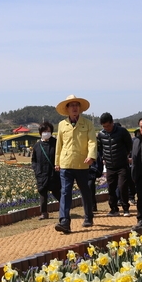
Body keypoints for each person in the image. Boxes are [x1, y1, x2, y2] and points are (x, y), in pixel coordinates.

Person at [54, 95, 97, 234]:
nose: (74, 108)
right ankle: (64, 221)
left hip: (82, 164)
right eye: (71, 105)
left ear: (80, 108)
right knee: (65, 192)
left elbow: (92, 142)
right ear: (67, 109)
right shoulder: (62, 125)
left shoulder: (88, 123)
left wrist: (91, 156)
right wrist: (57, 162)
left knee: (85, 191)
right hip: (66, 163)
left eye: (76, 105)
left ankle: (88, 216)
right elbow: (59, 144)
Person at [97, 113, 133, 217]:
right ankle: (114, 209)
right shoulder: (101, 134)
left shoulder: (122, 132)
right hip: (110, 166)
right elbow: (100, 149)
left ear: (112, 122)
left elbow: (129, 145)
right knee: (111, 188)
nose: (106, 128)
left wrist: (125, 155)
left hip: (122, 165)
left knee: (122, 187)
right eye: (104, 126)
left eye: (108, 125)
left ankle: (126, 208)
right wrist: (103, 157)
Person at [31, 121, 61, 220]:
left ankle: (64, 209)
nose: (46, 133)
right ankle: (44, 213)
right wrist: (36, 170)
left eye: (48, 131)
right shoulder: (37, 146)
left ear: (51, 131)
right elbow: (34, 160)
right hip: (41, 174)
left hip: (54, 173)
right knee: (42, 193)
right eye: (44, 131)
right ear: (40, 133)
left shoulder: (56, 143)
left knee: (57, 192)